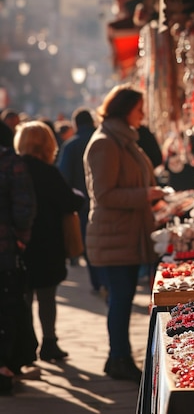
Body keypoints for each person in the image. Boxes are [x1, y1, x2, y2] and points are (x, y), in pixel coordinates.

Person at [83, 84, 166, 382]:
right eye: (139, 107)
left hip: (126, 233)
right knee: (120, 298)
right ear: (125, 108)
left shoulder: (125, 139)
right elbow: (104, 195)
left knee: (123, 296)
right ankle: (118, 358)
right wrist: (145, 194)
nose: (143, 113)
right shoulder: (106, 142)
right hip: (114, 236)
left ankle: (117, 357)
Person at [13, 120, 84, 362]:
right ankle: (49, 343)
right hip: (47, 244)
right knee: (46, 297)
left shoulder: (14, 168)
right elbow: (69, 202)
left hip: (19, 244)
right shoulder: (48, 171)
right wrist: (78, 195)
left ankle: (26, 345)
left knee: (23, 297)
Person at [0, 145, 38, 395]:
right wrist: (20, 238)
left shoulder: (9, 161)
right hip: (5, 248)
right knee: (7, 307)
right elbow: (24, 204)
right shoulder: (8, 161)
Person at [57, 107, 106, 293]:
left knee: (90, 244)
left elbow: (64, 177)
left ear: (76, 124)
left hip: (83, 204)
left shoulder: (71, 145)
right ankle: (106, 280)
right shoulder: (104, 140)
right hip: (106, 201)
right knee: (106, 242)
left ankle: (97, 282)